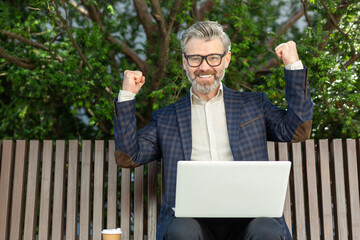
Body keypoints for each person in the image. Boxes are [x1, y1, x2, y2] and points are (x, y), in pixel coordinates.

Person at [114, 21, 313, 240]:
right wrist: (127, 96)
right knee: (181, 232)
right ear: (184, 62)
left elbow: (297, 131)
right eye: (195, 58)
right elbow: (128, 156)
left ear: (226, 59)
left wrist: (293, 66)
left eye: (213, 58)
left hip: (250, 218)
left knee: (267, 232)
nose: (204, 67)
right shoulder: (167, 118)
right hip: (191, 221)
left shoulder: (254, 105)